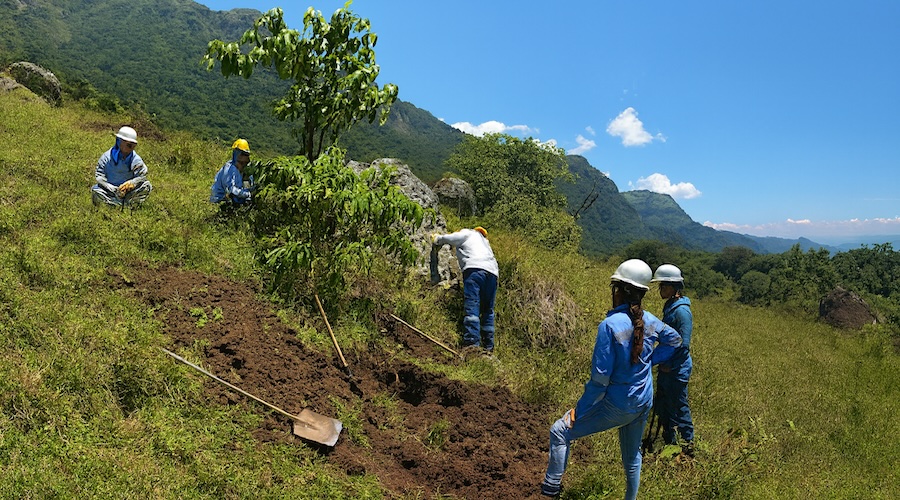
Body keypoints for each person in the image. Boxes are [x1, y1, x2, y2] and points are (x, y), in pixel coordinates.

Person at [540, 259, 682, 499]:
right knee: (632, 456)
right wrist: (649, 360)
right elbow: (675, 341)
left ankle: (549, 490)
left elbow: (600, 380)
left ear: (619, 291)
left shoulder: (609, 326)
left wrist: (580, 410)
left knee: (559, 431)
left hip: (619, 404)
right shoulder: (651, 320)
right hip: (642, 401)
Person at [431, 227, 499, 357]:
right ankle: (488, 347)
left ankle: (472, 345)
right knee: (487, 310)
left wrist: (437, 239)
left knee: (472, 307)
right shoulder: (486, 243)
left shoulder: (468, 233)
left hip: (474, 270)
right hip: (493, 275)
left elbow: (451, 239)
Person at [651, 264, 695, 456]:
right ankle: (670, 443)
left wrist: (671, 365)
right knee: (663, 405)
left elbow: (683, 344)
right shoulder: (670, 306)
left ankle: (689, 446)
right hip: (666, 366)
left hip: (676, 369)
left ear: (674, 287)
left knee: (679, 405)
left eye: (663, 286)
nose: (661, 290)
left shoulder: (682, 312)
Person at [91, 126, 152, 207]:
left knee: (146, 186)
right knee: (96, 190)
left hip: (129, 192)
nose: (131, 148)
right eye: (129, 145)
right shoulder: (106, 157)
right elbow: (99, 175)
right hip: (110, 191)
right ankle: (113, 203)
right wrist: (109, 186)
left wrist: (131, 183)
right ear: (119, 141)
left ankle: (129, 204)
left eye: (133, 145)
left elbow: (142, 176)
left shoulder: (135, 160)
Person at [210, 139, 254, 207]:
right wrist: (247, 194)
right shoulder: (229, 169)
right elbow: (230, 190)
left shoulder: (245, 169)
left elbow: (248, 186)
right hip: (220, 200)